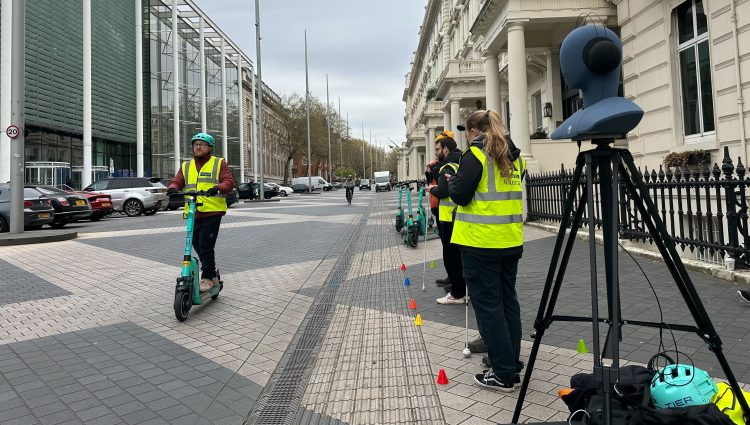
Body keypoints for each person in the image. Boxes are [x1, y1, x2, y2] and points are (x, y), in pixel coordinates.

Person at [449, 109, 526, 392]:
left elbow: (459, 193)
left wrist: (449, 181)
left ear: (473, 131)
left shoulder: (476, 154)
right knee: (508, 304)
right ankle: (510, 362)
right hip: (509, 240)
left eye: (466, 132)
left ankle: (503, 373)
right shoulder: (513, 155)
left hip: (480, 242)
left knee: (489, 309)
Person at [168, 133, 235, 293]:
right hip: (193, 212)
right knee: (196, 243)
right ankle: (212, 274)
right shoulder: (186, 166)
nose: (197, 147)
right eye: (195, 144)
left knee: (205, 245)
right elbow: (178, 180)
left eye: (202, 144)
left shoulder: (219, 163)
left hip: (212, 211)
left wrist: (218, 187)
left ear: (210, 148)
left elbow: (229, 182)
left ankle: (207, 277)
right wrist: (172, 188)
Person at [426, 131, 466, 305]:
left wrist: (431, 189)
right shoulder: (463, 160)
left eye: (438, 149)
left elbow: (443, 191)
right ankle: (460, 287)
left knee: (451, 257)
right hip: (458, 216)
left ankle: (457, 293)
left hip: (449, 218)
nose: (436, 152)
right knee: (458, 256)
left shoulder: (447, 166)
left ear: (446, 149)